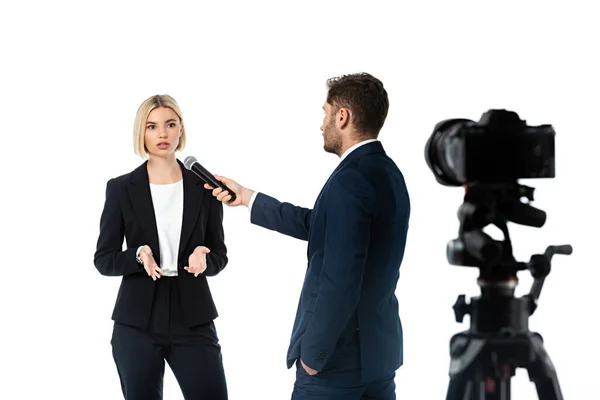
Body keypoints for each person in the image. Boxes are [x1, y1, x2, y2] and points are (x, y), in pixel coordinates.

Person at [206, 73, 411, 399]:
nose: (322, 124)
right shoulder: (388, 173)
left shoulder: (350, 180)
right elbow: (321, 225)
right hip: (379, 358)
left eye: (326, 112)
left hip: (335, 363)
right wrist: (247, 196)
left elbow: (341, 279)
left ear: (342, 117)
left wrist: (313, 355)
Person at [94, 94, 229, 400]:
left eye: (170, 124)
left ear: (181, 128)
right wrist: (137, 256)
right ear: (142, 133)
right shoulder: (120, 188)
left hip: (193, 316)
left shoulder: (205, 187)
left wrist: (204, 257)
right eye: (152, 127)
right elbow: (104, 259)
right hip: (137, 321)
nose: (163, 134)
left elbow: (219, 255)